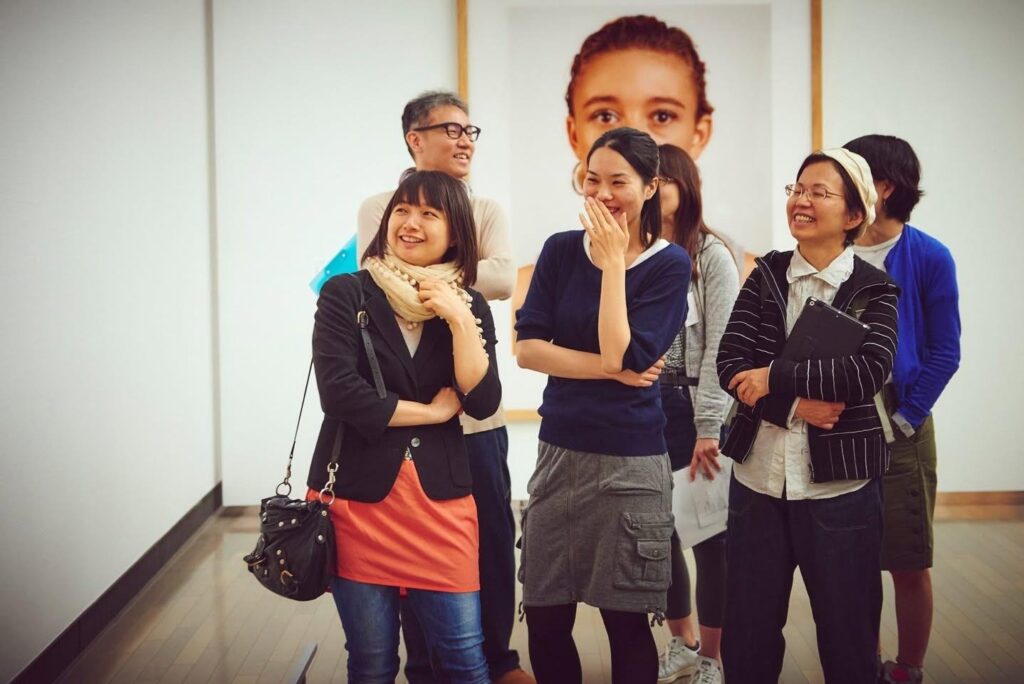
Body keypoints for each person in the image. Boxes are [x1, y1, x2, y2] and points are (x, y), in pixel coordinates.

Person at [358, 91, 530, 684]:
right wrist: (447, 267)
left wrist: (430, 274)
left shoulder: (485, 208)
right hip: (412, 416)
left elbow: (503, 280)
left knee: (491, 538)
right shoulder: (379, 206)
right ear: (415, 139)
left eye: (470, 131)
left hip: (475, 417)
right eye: (451, 129)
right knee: (413, 549)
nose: (465, 141)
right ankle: (426, 664)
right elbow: (373, 276)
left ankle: (498, 660)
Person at [716, 149, 900, 683]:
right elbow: (731, 363)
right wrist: (795, 404)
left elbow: (868, 373)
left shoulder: (875, 288)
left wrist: (775, 377)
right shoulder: (766, 275)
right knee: (748, 630)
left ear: (853, 215)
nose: (802, 200)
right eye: (798, 189)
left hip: (841, 488)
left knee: (848, 633)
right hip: (758, 481)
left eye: (819, 192)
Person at [308, 170, 499, 683]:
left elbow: (482, 401)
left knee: (465, 659)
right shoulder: (346, 294)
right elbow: (340, 394)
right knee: (371, 663)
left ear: (455, 233)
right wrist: (432, 413)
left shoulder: (470, 305)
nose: (410, 223)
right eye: (402, 210)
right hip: (358, 505)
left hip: (441, 507)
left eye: (428, 214)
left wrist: (460, 319)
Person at [515, 127, 691, 684]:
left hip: (630, 463)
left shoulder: (669, 264)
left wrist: (615, 262)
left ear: (650, 187)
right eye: (593, 180)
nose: (603, 193)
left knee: (625, 621)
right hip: (558, 454)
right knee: (545, 615)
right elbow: (527, 349)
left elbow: (622, 349)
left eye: (619, 181)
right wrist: (613, 370)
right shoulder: (560, 249)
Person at [843, 134, 961, 684]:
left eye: (850, 173)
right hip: (838, 415)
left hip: (902, 420)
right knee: (850, 562)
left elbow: (945, 352)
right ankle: (860, 665)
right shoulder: (832, 250)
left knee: (908, 560)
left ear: (884, 187)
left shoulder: (930, 256)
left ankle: (908, 669)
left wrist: (907, 418)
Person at [653, 145, 738, 684]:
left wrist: (709, 425)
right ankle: (682, 642)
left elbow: (722, 349)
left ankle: (712, 657)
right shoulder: (635, 250)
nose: (652, 189)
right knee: (657, 533)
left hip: (694, 409)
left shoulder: (711, 256)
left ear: (684, 186)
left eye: (661, 179)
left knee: (709, 539)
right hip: (643, 411)